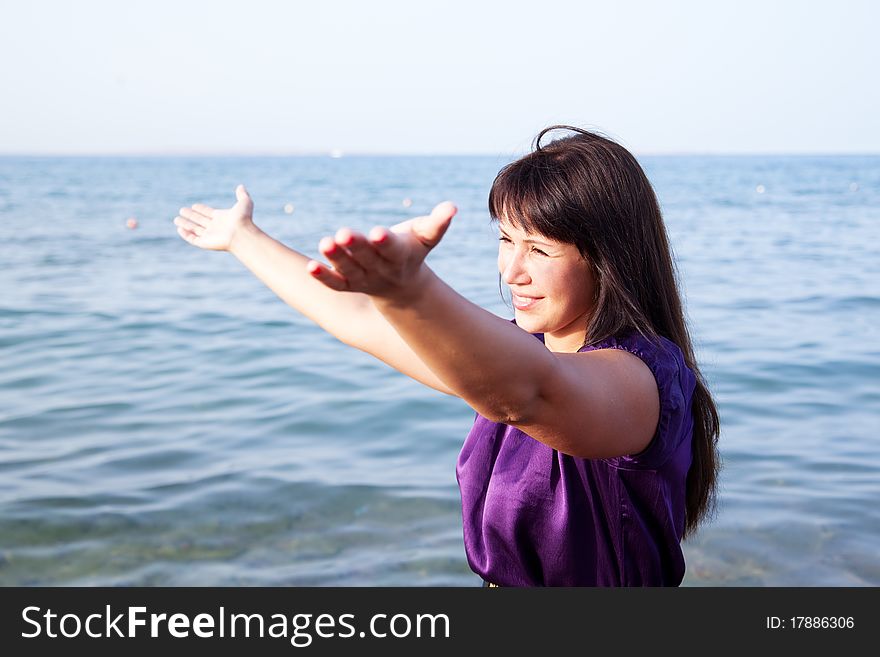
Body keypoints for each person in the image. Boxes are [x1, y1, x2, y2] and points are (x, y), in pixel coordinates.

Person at [173, 126, 720, 586]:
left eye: (539, 249)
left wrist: (410, 290)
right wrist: (242, 237)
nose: (511, 271)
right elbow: (356, 320)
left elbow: (529, 396)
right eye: (506, 240)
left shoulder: (644, 378)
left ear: (608, 259)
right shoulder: (514, 353)